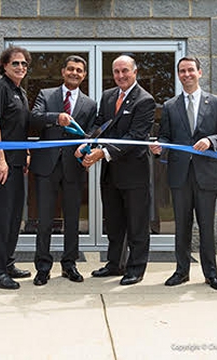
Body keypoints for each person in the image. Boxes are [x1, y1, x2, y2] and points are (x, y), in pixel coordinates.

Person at [150, 56, 217, 291]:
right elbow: (165, 136)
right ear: (178, 75)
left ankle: (212, 274)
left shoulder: (216, 103)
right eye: (182, 71)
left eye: (190, 70)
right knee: (182, 226)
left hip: (206, 175)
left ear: (200, 72)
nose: (186, 74)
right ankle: (181, 271)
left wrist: (210, 140)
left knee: (206, 226)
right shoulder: (169, 106)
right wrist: (159, 146)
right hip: (179, 175)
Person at [79, 55, 155, 286]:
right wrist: (86, 144)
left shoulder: (145, 100)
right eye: (116, 72)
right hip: (110, 173)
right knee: (114, 222)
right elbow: (100, 124)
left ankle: (135, 268)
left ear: (135, 72)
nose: (120, 76)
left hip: (134, 174)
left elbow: (136, 137)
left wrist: (103, 152)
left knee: (137, 224)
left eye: (125, 71)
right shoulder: (108, 96)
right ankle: (115, 264)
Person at [30, 55, 97, 286]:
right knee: (45, 220)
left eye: (79, 70)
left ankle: (70, 265)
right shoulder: (46, 95)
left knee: (72, 220)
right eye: (71, 69)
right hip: (46, 167)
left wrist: (85, 147)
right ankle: (42, 267)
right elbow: (34, 118)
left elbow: (91, 134)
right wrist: (56, 119)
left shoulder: (90, 104)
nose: (74, 73)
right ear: (63, 72)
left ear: (84, 75)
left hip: (73, 168)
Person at [0, 46, 32, 290]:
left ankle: (7, 262)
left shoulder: (20, 92)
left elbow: (19, 128)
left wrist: (24, 153)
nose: (21, 67)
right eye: (16, 63)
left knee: (14, 217)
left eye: (24, 64)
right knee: (1, 218)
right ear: (4, 65)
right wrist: (0, 159)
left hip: (16, 164)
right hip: (1, 165)